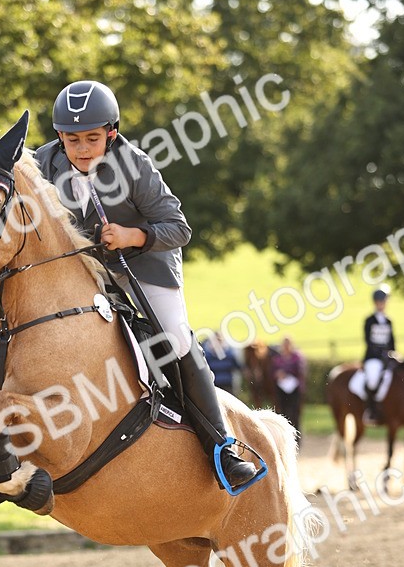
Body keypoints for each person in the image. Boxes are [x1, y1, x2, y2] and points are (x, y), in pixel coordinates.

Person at [34, 80, 256, 490]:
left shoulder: (134, 165)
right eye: (72, 139)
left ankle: (221, 448)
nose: (82, 148)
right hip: (87, 267)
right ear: (58, 137)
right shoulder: (42, 163)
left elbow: (179, 227)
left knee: (174, 338)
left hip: (145, 263)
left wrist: (131, 235)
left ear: (111, 134)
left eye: (92, 139)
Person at [362, 285, 395, 424]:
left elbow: (392, 341)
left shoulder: (388, 321)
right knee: (373, 379)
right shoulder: (369, 321)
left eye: (384, 301)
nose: (382, 304)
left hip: (388, 357)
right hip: (373, 358)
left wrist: (393, 353)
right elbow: (368, 341)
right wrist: (381, 354)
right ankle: (371, 410)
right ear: (376, 302)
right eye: (381, 301)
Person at [273, 336, 306, 440]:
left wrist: (286, 373)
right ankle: (284, 436)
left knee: (294, 414)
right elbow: (271, 372)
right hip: (281, 390)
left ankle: (296, 437)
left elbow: (301, 371)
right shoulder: (278, 359)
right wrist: (277, 374)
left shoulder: (297, 357)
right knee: (282, 413)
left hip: (294, 389)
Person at [202, 332, 242, 396]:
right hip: (215, 385)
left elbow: (238, 366)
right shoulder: (207, 355)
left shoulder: (230, 353)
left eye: (219, 340)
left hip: (227, 384)